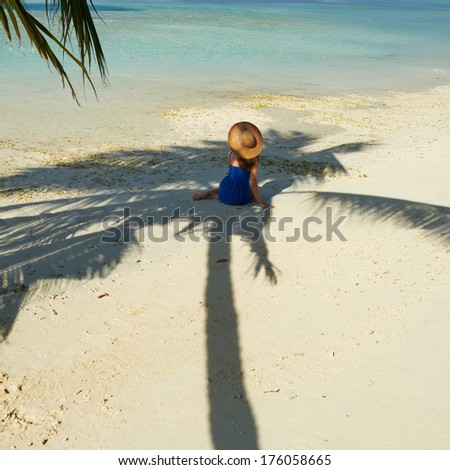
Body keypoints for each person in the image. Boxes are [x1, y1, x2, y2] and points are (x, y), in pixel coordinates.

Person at [192, 121, 274, 209]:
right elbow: (253, 183)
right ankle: (213, 195)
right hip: (241, 196)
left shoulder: (231, 154)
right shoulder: (254, 160)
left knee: (229, 187)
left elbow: (232, 173)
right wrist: (260, 203)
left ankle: (210, 193)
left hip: (227, 185)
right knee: (250, 194)